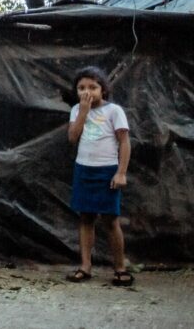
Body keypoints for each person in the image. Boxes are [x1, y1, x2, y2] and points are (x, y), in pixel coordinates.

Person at [66, 66, 133, 286]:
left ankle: (120, 267)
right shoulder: (77, 110)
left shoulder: (114, 111)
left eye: (93, 87)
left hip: (106, 171)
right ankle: (85, 266)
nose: (87, 92)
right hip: (84, 169)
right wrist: (84, 112)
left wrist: (121, 172)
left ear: (103, 90)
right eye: (82, 88)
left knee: (110, 220)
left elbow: (124, 142)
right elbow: (73, 138)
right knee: (86, 218)